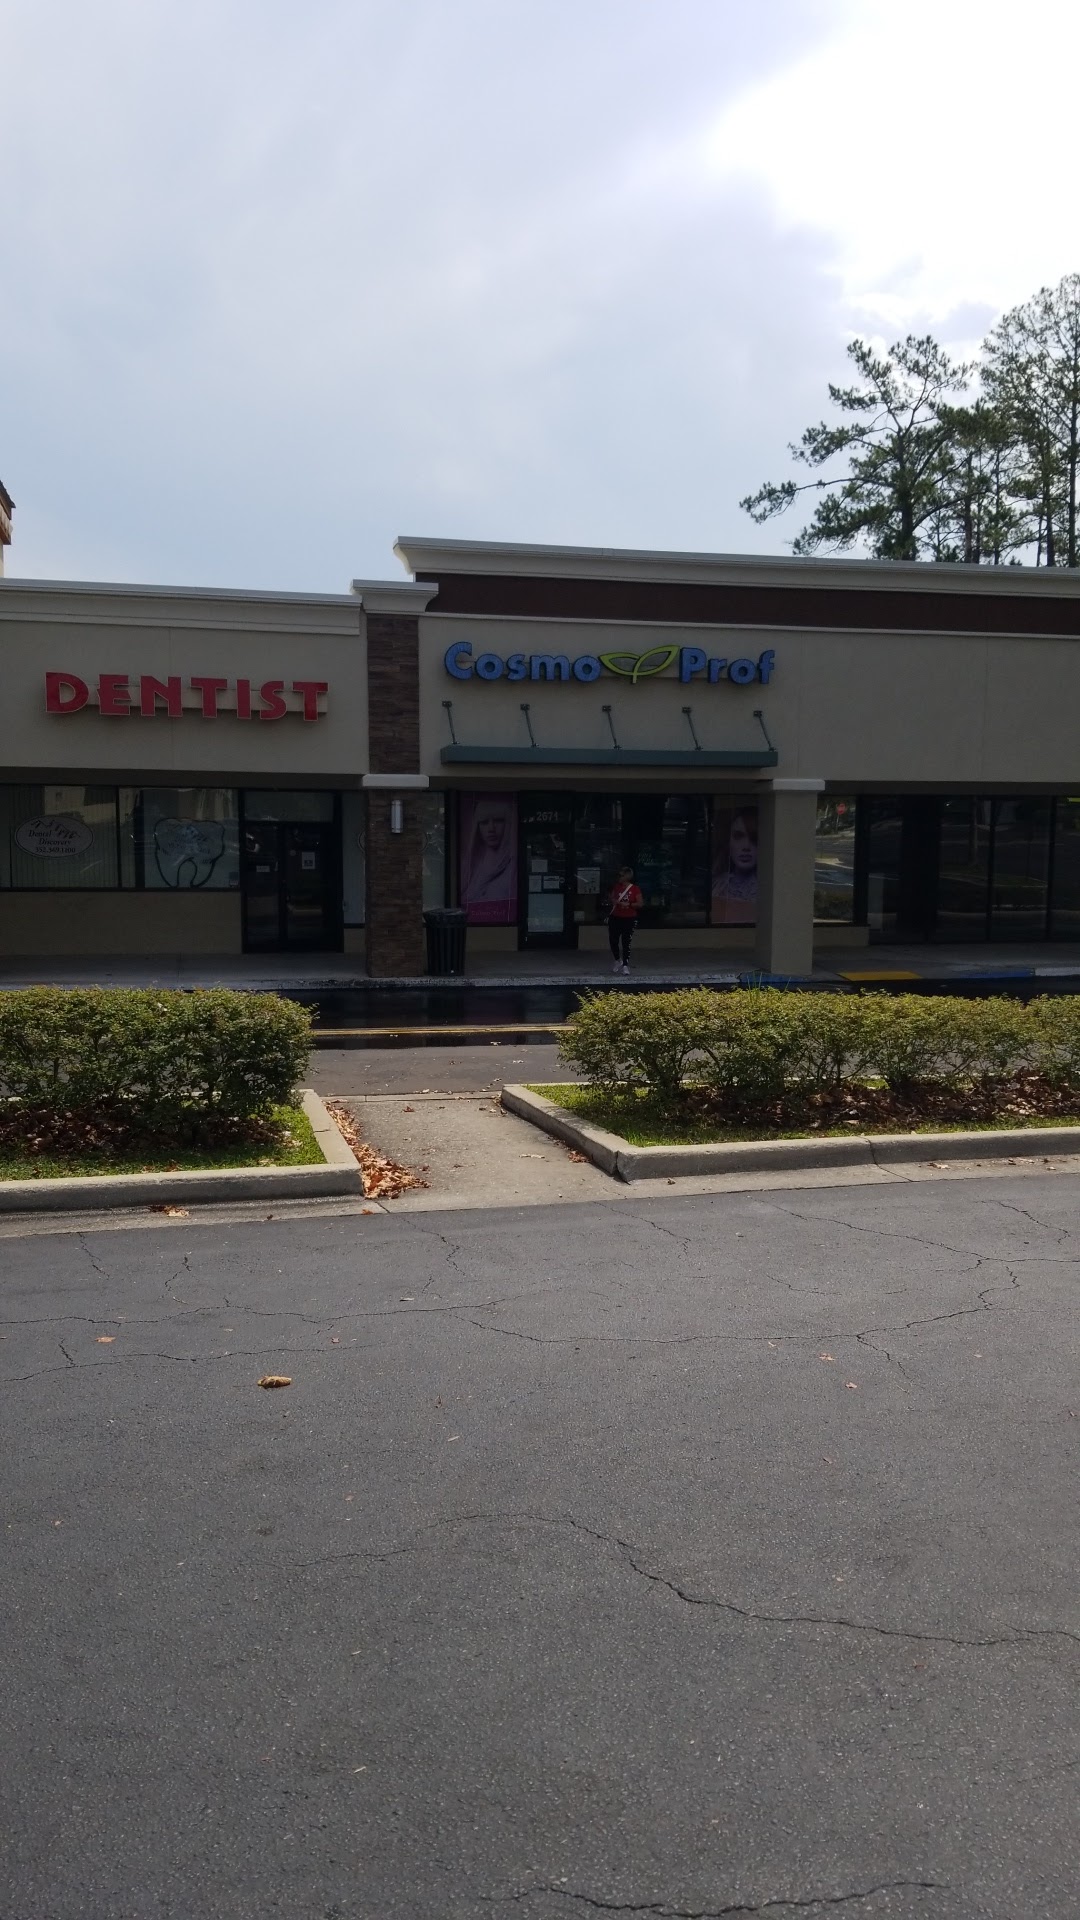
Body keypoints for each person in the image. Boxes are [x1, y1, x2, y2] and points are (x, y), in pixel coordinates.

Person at [711, 808, 758, 925]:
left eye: (754, 838)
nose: (746, 846)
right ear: (728, 841)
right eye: (738, 836)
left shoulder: (769, 889)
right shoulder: (717, 884)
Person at [607, 864, 643, 973]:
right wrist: (616, 902)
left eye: (621, 875)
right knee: (613, 940)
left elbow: (640, 903)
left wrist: (629, 904)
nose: (619, 877)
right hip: (616, 917)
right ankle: (618, 960)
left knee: (626, 941)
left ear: (627, 876)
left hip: (629, 918)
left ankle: (626, 965)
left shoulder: (635, 889)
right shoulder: (617, 887)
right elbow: (612, 898)